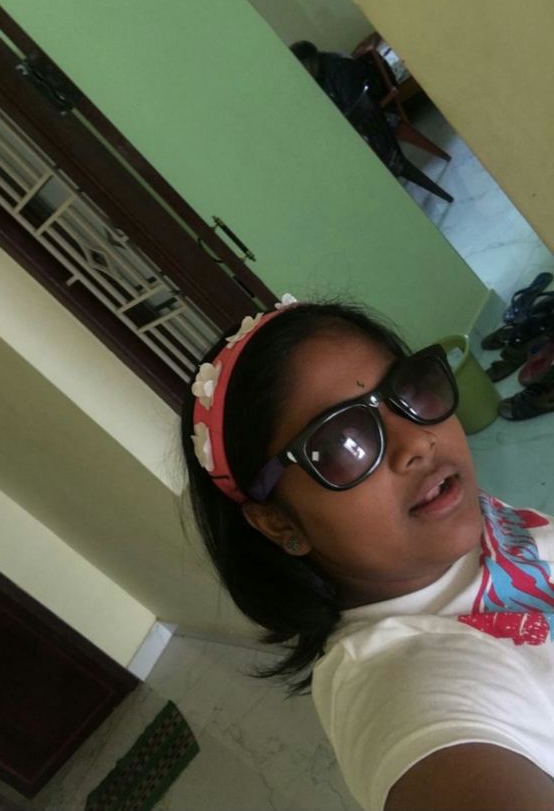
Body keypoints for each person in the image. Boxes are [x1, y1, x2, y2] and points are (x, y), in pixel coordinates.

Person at [180, 296, 554, 811]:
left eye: (410, 389)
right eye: (341, 444)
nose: (416, 441)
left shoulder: (436, 527)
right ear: (280, 522)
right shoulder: (402, 689)